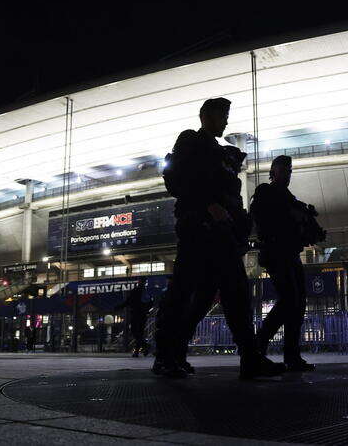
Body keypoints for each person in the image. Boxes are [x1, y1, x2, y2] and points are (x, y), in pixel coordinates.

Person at [153, 97, 286, 379]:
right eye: (221, 115)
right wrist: (206, 205)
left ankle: (248, 357)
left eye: (227, 115)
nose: (226, 121)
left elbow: (230, 195)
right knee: (185, 293)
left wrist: (239, 223)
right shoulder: (191, 141)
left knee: (230, 292)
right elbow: (176, 179)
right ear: (205, 116)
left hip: (223, 234)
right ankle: (166, 355)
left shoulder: (223, 153)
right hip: (198, 229)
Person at [250, 155, 325, 371]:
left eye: (290, 170)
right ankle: (259, 345)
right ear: (273, 172)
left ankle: (291, 356)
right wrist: (292, 219)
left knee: (298, 302)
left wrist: (309, 230)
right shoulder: (266, 192)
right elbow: (264, 220)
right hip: (275, 253)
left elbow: (301, 227)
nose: (287, 174)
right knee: (289, 300)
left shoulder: (292, 200)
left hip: (290, 254)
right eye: (283, 170)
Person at [114, 278, 153, 357]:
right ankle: (140, 350)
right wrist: (146, 310)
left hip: (136, 314)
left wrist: (118, 307)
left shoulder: (135, 291)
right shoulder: (146, 292)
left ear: (139, 282)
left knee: (135, 332)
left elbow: (128, 301)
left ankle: (143, 347)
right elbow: (151, 303)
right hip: (143, 315)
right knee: (140, 333)